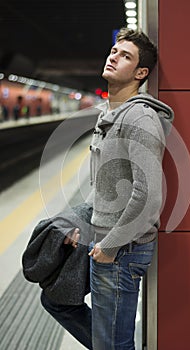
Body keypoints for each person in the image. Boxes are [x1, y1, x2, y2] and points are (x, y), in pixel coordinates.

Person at [41, 27, 174, 349]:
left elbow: (148, 196)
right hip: (103, 238)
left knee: (113, 343)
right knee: (57, 300)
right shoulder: (110, 114)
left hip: (121, 251)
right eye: (114, 51)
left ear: (141, 73)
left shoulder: (139, 118)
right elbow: (109, 187)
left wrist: (110, 247)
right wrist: (82, 224)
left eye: (125, 56)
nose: (114, 57)